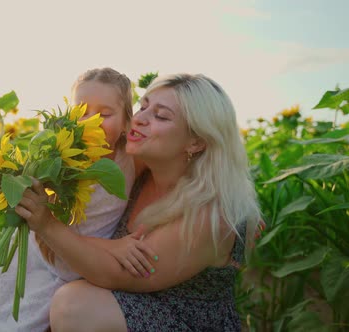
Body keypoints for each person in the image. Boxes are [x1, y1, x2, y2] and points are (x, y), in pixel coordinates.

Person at [15, 73, 262, 331]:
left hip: (183, 321)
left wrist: (47, 225)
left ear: (197, 141)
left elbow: (115, 274)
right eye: (143, 107)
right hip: (121, 306)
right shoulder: (140, 172)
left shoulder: (210, 213)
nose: (139, 119)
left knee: (73, 305)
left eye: (161, 116)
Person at [0, 67, 136, 332]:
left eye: (105, 114)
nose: (90, 121)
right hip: (31, 255)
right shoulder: (59, 158)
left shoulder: (130, 162)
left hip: (69, 267)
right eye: (80, 112)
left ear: (126, 123)